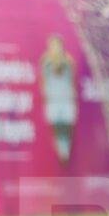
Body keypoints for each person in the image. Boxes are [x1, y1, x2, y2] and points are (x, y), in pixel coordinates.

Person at [40, 35, 77, 164]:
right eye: (53, 45)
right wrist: (45, 96)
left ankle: (66, 148)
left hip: (66, 99)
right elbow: (43, 81)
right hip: (53, 100)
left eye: (57, 45)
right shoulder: (45, 62)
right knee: (56, 127)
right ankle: (62, 152)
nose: (55, 48)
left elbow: (71, 78)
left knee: (66, 127)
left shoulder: (68, 61)